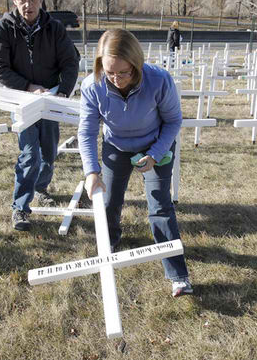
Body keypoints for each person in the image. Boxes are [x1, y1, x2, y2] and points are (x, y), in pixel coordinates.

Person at [78, 29, 193, 297]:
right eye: (109, 73)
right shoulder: (92, 86)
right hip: (116, 146)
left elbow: (174, 120)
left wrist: (154, 154)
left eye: (123, 73)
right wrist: (91, 172)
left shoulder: (159, 80)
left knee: (160, 206)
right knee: (108, 202)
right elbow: (86, 131)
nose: (116, 79)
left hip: (155, 145)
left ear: (136, 64)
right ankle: (108, 250)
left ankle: (178, 275)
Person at [0, 0, 79, 231]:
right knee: (30, 155)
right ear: (15, 0)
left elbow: (70, 61)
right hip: (22, 100)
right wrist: (28, 87)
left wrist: (63, 91)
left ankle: (41, 187)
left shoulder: (54, 28)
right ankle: (20, 208)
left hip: (50, 100)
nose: (28, 5)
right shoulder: (4, 28)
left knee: (48, 152)